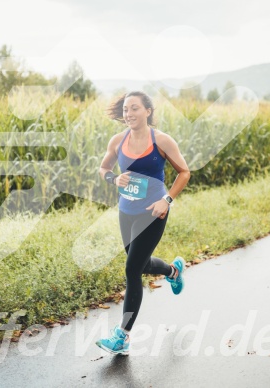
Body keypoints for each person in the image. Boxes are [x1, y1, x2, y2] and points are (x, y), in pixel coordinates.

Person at [95, 90, 191, 356]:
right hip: (126, 211)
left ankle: (122, 336)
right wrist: (113, 179)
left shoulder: (161, 140)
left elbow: (184, 172)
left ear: (147, 111)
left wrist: (167, 200)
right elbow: (104, 169)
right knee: (142, 263)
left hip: (154, 211)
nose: (129, 114)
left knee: (131, 269)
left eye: (135, 108)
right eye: (126, 109)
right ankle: (173, 271)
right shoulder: (117, 140)